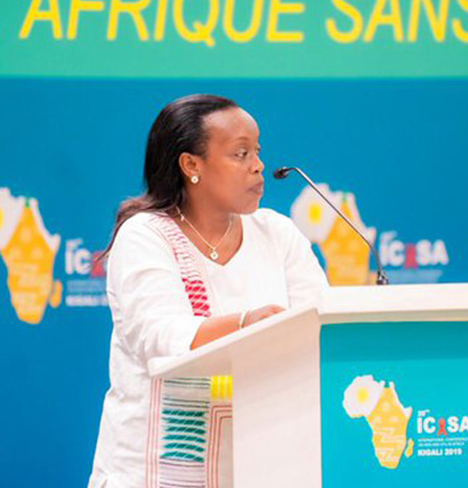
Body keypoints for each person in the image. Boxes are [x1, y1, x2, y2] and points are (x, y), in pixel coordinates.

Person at [88, 94, 328, 488]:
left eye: (258, 151)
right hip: (156, 469)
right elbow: (160, 337)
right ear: (191, 165)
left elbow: (319, 324)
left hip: (261, 463)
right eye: (240, 153)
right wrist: (248, 324)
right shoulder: (145, 235)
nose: (258, 165)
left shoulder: (277, 232)